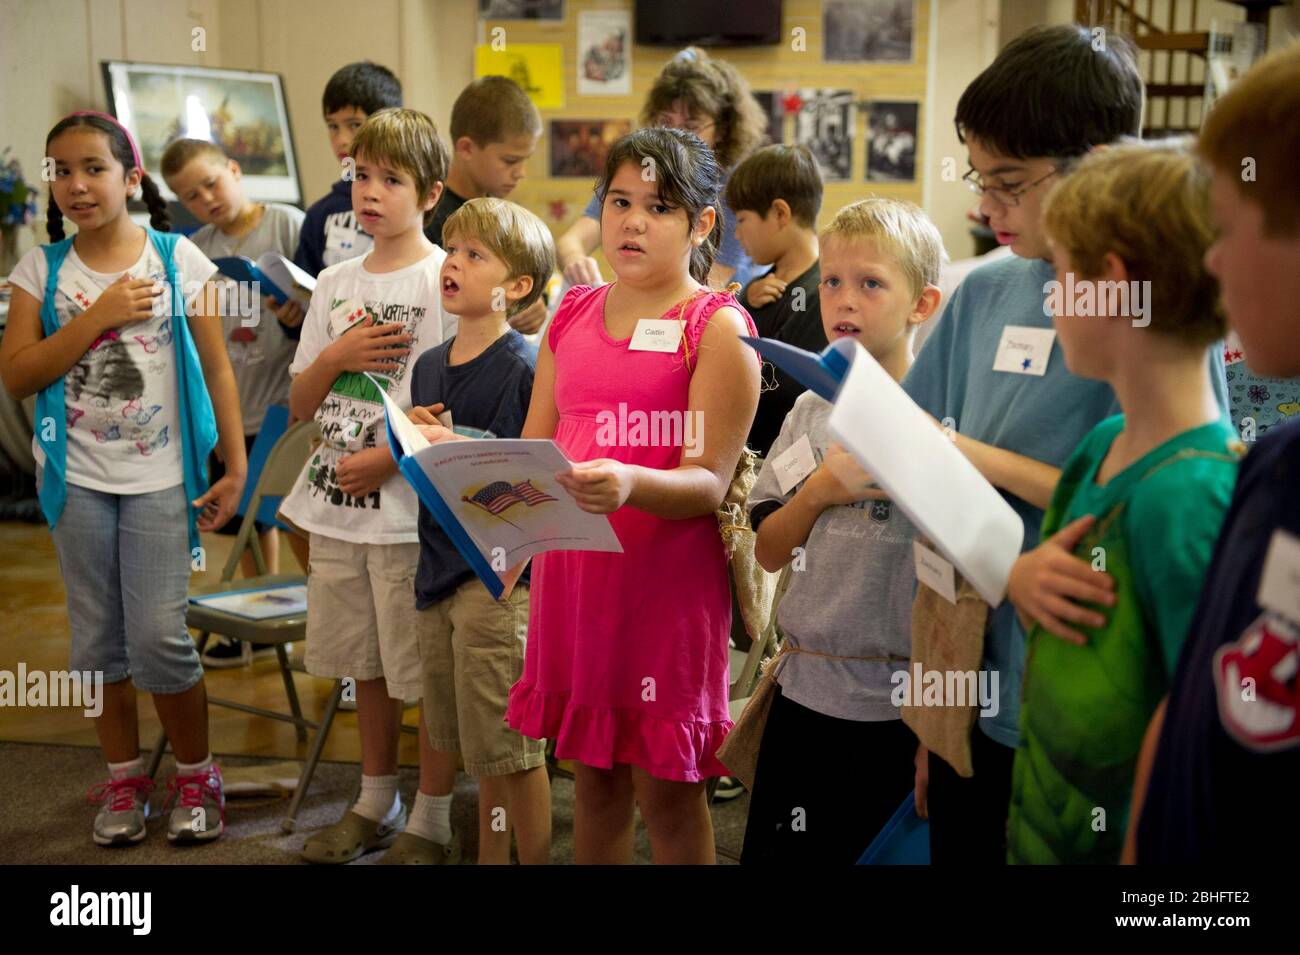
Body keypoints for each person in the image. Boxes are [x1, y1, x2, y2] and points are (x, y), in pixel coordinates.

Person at [0, 111, 247, 846]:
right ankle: (124, 775)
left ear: (131, 179)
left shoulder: (177, 261)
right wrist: (99, 316)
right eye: (61, 170)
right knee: (98, 642)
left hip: (159, 480)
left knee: (157, 636)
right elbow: (17, 375)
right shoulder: (38, 271)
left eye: (94, 168)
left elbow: (218, 369)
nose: (76, 184)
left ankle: (198, 773)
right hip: (75, 482)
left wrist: (236, 465)